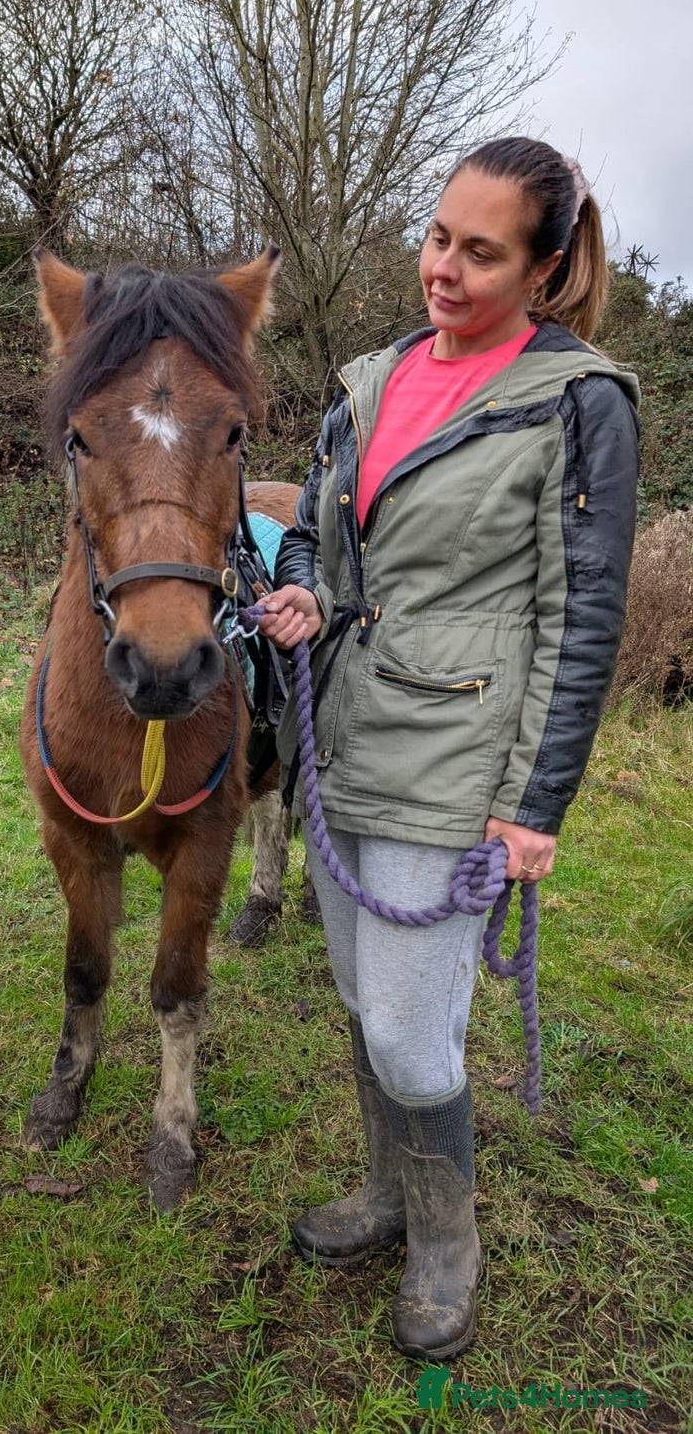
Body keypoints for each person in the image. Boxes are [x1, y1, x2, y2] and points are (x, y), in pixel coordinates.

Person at [259, 137, 640, 1360]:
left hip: (462, 757)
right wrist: (306, 592)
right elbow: (313, 531)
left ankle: (444, 1242)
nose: (445, 268)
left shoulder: (579, 401)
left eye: (482, 252)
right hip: (339, 732)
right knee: (366, 1004)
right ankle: (387, 1195)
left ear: (542, 267)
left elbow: (580, 618)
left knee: (416, 1028)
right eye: (438, 237)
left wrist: (533, 806)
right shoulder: (367, 376)